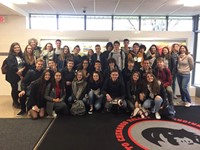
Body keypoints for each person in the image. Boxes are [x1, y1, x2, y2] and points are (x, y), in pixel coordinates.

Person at [6, 42, 26, 108]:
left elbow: (24, 64)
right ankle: (15, 102)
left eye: (18, 47)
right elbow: (11, 67)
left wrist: (22, 69)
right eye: (15, 48)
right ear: (12, 49)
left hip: (20, 75)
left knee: (18, 89)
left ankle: (17, 101)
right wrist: (18, 71)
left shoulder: (21, 56)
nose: (17, 49)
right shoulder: (10, 57)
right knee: (14, 89)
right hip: (13, 76)